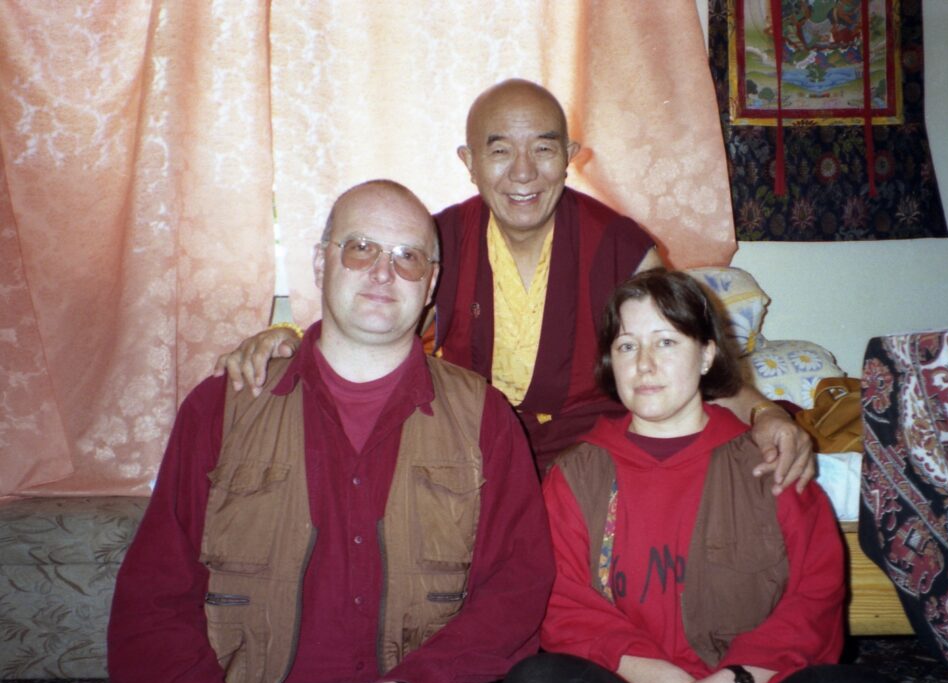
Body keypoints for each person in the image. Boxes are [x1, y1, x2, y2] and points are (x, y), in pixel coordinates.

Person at [107, 181, 554, 683]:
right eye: (361, 248)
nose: (383, 273)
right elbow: (153, 599)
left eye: (408, 257)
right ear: (321, 263)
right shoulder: (222, 408)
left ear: (431, 283)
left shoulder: (483, 418)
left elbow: (516, 589)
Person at [216, 79, 813, 486]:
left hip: (595, 451)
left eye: (544, 149)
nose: (523, 173)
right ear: (469, 162)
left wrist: (766, 415)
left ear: (569, 155)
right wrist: (287, 339)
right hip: (470, 447)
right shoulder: (439, 239)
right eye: (499, 151)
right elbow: (367, 317)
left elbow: (682, 362)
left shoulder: (620, 247)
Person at [499, 270, 927, 683]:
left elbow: (814, 599)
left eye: (666, 342)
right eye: (627, 346)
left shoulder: (771, 464)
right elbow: (566, 609)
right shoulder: (576, 474)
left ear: (706, 355)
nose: (644, 364)